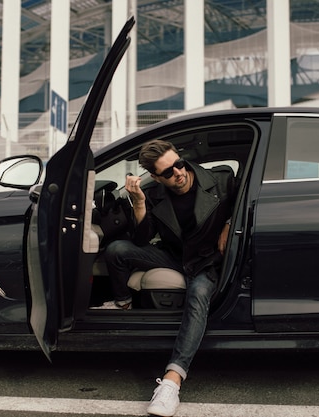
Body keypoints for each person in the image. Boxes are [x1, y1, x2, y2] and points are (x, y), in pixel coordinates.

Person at [101, 139, 236, 416]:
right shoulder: (152, 193)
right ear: (156, 177)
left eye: (179, 164)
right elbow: (140, 239)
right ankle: (123, 303)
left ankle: (171, 383)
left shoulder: (221, 179)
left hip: (207, 262)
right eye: (168, 172)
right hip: (176, 257)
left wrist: (229, 223)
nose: (178, 173)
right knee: (116, 250)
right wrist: (138, 202)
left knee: (198, 294)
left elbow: (246, 203)